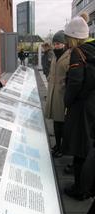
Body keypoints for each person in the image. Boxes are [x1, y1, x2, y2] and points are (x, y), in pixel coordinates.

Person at [62, 12, 95, 200]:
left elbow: (74, 83)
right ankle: (88, 187)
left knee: (80, 149)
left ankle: (80, 189)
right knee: (90, 147)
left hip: (81, 108)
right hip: (93, 105)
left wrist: (67, 102)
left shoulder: (78, 52)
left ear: (74, 37)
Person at [45, 30, 71, 158]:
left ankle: (62, 148)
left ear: (64, 44)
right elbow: (51, 72)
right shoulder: (55, 56)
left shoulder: (69, 56)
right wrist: (50, 79)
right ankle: (57, 144)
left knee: (63, 124)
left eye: (58, 43)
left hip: (62, 95)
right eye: (54, 43)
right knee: (56, 123)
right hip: (53, 94)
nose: (56, 46)